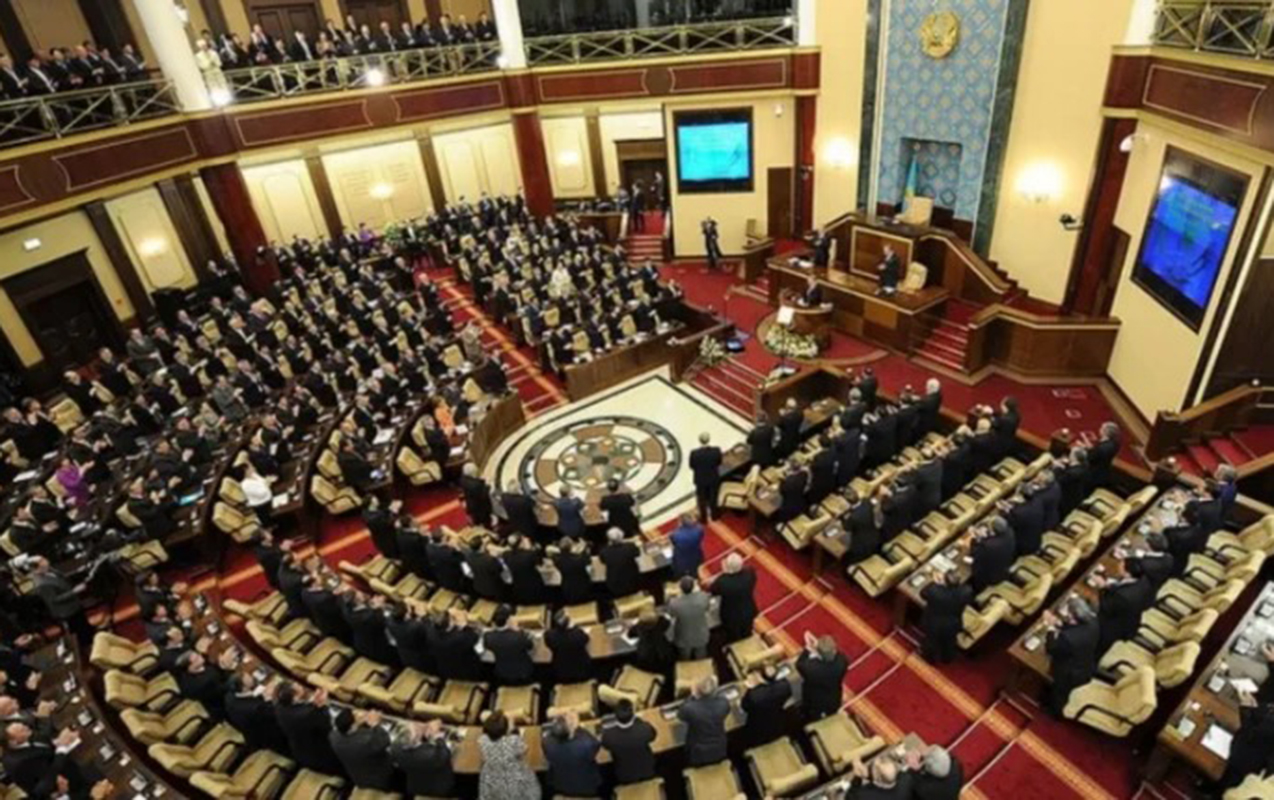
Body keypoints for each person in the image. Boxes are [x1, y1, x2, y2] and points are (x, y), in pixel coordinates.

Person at [1043, 597, 1101, 716]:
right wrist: (1059, 624)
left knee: (1059, 695)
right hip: (1086, 665)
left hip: (1068, 673)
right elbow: (1076, 628)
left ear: (1073, 617)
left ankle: (1053, 714)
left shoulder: (1068, 638)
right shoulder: (1093, 623)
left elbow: (1051, 649)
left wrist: (1050, 628)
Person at [275, 683, 340, 773]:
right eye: (299, 688)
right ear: (295, 698)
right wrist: (322, 705)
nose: (301, 687)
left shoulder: (279, 707)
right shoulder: (307, 714)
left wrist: (314, 705)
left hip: (301, 751)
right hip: (320, 754)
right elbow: (327, 725)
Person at [478, 711, 541, 800]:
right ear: (506, 730)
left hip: (493, 780)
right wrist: (513, 730)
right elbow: (524, 749)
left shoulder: (483, 741)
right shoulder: (513, 741)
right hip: (515, 781)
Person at [1093, 561, 1153, 653]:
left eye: (1121, 566)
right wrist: (1110, 586)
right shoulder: (1144, 580)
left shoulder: (1123, 596)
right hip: (1130, 618)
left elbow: (1105, 607)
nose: (1118, 566)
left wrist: (1102, 588)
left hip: (1111, 627)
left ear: (1127, 574)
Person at [329, 708, 395, 791]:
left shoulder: (334, 737)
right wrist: (375, 724)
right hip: (379, 778)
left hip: (359, 778)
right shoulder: (365, 742)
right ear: (352, 727)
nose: (359, 713)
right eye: (355, 715)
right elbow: (385, 741)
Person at [542, 711, 602, 797]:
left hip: (560, 785)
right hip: (586, 786)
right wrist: (578, 727)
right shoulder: (587, 744)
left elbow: (550, 735)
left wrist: (562, 724)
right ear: (570, 733)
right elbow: (595, 743)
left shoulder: (547, 742)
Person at [919, 570, 973, 664]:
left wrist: (935, 583)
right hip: (953, 623)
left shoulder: (935, 591)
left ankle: (929, 659)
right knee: (949, 642)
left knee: (931, 642)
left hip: (934, 624)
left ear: (945, 581)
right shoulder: (967, 591)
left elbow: (923, 593)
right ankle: (947, 658)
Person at [392, 720, 455, 799]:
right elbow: (443, 755)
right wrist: (437, 737)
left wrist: (417, 732)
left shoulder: (396, 749)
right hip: (436, 791)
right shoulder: (424, 755)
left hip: (417, 789)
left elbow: (398, 742)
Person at [601, 698, 657, 785]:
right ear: (633, 715)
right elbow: (653, 736)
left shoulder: (608, 735)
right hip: (647, 770)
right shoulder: (644, 728)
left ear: (615, 716)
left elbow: (605, 746)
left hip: (624, 774)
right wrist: (639, 721)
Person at [677, 675, 730, 766]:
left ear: (697, 691)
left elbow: (680, 715)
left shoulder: (689, 708)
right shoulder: (724, 703)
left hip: (698, 752)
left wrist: (692, 696)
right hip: (719, 747)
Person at [796, 633, 847, 720]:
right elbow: (837, 655)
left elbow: (799, 664)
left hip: (813, 702)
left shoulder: (811, 668)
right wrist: (821, 647)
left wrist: (809, 648)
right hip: (834, 699)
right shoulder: (842, 662)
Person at [710, 553, 758, 642]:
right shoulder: (750, 574)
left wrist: (725, 572)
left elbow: (713, 590)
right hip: (748, 611)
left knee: (734, 638)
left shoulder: (722, 582)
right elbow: (749, 571)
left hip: (731, 616)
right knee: (747, 634)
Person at [741, 664, 792, 746]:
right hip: (778, 723)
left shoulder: (754, 695)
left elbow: (744, 706)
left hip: (758, 729)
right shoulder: (784, 686)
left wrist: (750, 688)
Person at [483, 606, 535, 685]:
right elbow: (530, 646)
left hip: (502, 673)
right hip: (523, 673)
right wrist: (518, 630)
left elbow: (487, 645)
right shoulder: (518, 636)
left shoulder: (488, 637)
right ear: (508, 620)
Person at [668, 576, 712, 660]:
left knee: (685, 659)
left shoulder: (674, 603)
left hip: (683, 637)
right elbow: (707, 608)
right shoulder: (703, 597)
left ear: (680, 588)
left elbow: (671, 615)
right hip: (701, 634)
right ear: (693, 587)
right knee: (701, 658)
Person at [544, 611, 591, 684]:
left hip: (561, 674)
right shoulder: (577, 634)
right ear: (569, 623)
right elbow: (586, 639)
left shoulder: (550, 636)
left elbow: (548, 640)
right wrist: (575, 627)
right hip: (581, 672)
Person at [689, 433, 722, 522]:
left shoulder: (694, 453)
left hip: (700, 479)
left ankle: (703, 518)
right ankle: (714, 515)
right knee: (713, 497)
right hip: (713, 477)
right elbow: (719, 462)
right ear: (708, 440)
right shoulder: (716, 451)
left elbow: (692, 466)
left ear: (700, 441)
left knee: (701, 499)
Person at [630, 607, 674, 675]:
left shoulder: (639, 627)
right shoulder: (661, 623)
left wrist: (635, 623)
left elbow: (630, 634)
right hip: (662, 651)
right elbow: (667, 622)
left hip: (646, 653)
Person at [844, 756, 913, 799]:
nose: (876, 760)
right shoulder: (906, 779)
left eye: (875, 767)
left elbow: (849, 796)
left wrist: (857, 777)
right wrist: (869, 776)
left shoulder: (862, 796)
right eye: (882, 761)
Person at [600, 527, 641, 597]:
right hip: (633, 583)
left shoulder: (604, 552)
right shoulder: (630, 547)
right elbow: (638, 553)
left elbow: (603, 561)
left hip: (614, 586)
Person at [669, 512, 705, 578]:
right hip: (696, 555)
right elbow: (701, 538)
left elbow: (674, 543)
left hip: (681, 558)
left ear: (680, 523)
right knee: (695, 571)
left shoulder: (674, 534)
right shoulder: (699, 529)